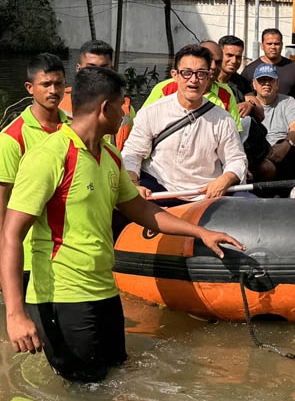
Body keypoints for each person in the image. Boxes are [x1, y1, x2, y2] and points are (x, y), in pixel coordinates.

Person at [0, 66, 245, 383]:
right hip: (61, 295)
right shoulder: (49, 157)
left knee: (116, 375)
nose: (125, 117)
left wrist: (201, 232)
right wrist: (15, 314)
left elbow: (143, 211)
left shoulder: (110, 155)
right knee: (85, 390)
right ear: (105, 108)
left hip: (103, 289)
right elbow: (10, 234)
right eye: (121, 107)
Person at [122, 44, 247, 203]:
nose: (193, 80)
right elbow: (132, 153)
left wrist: (225, 180)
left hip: (206, 194)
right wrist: (133, 184)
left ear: (209, 76)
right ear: (175, 75)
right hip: (158, 187)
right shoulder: (152, 112)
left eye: (201, 73)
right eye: (187, 73)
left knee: (250, 206)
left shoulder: (223, 119)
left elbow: (236, 160)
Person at [0, 54, 68, 291]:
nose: (53, 90)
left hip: (67, 254)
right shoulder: (12, 138)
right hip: (27, 256)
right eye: (46, 84)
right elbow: (1, 203)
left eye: (58, 83)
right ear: (30, 88)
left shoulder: (72, 128)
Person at [142, 41, 242, 129]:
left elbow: (233, 134)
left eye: (218, 62)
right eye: (209, 60)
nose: (213, 66)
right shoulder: (164, 89)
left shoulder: (226, 93)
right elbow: (143, 124)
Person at [59, 40, 135, 149]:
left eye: (104, 68)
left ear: (112, 70)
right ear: (78, 69)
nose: (98, 74)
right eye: (91, 68)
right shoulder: (58, 102)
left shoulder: (125, 108)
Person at [251, 62, 295, 181]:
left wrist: (286, 144)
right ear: (254, 84)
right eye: (262, 80)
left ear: (277, 84)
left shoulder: (288, 101)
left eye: (271, 80)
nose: (267, 84)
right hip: (260, 153)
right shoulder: (249, 104)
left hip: (284, 150)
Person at [241, 28, 295, 110]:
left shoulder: (294, 68)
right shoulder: (250, 70)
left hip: (287, 120)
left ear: (281, 45)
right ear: (262, 46)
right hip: (258, 119)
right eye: (269, 44)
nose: (273, 47)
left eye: (276, 44)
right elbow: (242, 100)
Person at [217, 35, 264, 123]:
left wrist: (250, 104)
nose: (234, 61)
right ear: (219, 55)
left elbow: (261, 114)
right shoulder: (207, 80)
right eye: (229, 55)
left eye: (238, 57)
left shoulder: (241, 82)